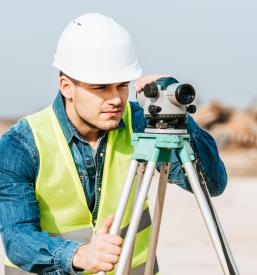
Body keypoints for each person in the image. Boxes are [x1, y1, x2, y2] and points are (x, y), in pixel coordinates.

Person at [0, 13, 227, 275]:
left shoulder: (141, 123)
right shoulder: (22, 144)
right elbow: (17, 239)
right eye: (101, 87)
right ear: (66, 86)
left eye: (121, 85)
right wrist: (79, 255)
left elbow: (213, 183)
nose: (116, 99)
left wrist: (175, 115)